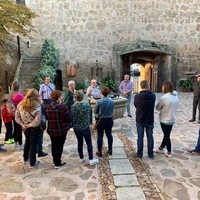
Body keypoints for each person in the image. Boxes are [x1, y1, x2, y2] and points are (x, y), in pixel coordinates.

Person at [44, 90, 72, 169]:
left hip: (52, 129)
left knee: (54, 144)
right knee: (60, 145)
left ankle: (55, 160)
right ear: (58, 98)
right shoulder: (63, 107)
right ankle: (58, 162)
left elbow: (46, 117)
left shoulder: (47, 107)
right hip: (61, 130)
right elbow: (69, 118)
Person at [15, 89, 42, 168]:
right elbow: (37, 121)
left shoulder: (20, 104)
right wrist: (29, 125)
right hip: (34, 127)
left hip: (25, 127)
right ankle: (32, 162)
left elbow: (17, 117)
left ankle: (25, 158)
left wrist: (23, 124)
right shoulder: (37, 105)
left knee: (27, 141)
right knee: (33, 144)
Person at [71, 91, 99, 165]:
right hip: (85, 126)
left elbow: (72, 116)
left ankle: (81, 158)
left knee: (80, 142)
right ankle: (91, 159)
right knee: (89, 143)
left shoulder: (73, 106)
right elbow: (89, 114)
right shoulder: (86, 105)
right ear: (82, 97)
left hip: (76, 127)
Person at [154, 81, 179, 158]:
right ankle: (161, 148)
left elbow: (158, 107)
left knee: (166, 135)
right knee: (167, 134)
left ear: (166, 88)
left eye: (163, 87)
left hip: (165, 119)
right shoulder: (175, 95)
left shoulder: (165, 97)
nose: (162, 88)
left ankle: (169, 152)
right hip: (172, 118)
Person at [134, 80, 156, 159]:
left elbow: (136, 105)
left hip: (140, 118)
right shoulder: (153, 96)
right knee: (150, 136)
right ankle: (150, 153)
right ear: (148, 86)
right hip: (149, 118)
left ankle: (140, 153)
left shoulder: (137, 96)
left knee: (140, 137)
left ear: (141, 86)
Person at [94, 86, 114, 157]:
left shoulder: (99, 101)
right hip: (109, 119)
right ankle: (110, 149)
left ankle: (99, 151)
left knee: (100, 135)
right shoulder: (111, 101)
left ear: (101, 93)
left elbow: (95, 111)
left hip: (101, 120)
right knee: (109, 134)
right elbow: (112, 110)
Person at [10, 80, 24, 150]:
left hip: (12, 114)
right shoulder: (20, 95)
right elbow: (24, 104)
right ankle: (20, 144)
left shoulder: (11, 95)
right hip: (18, 114)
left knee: (15, 128)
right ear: (19, 86)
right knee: (19, 129)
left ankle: (16, 144)